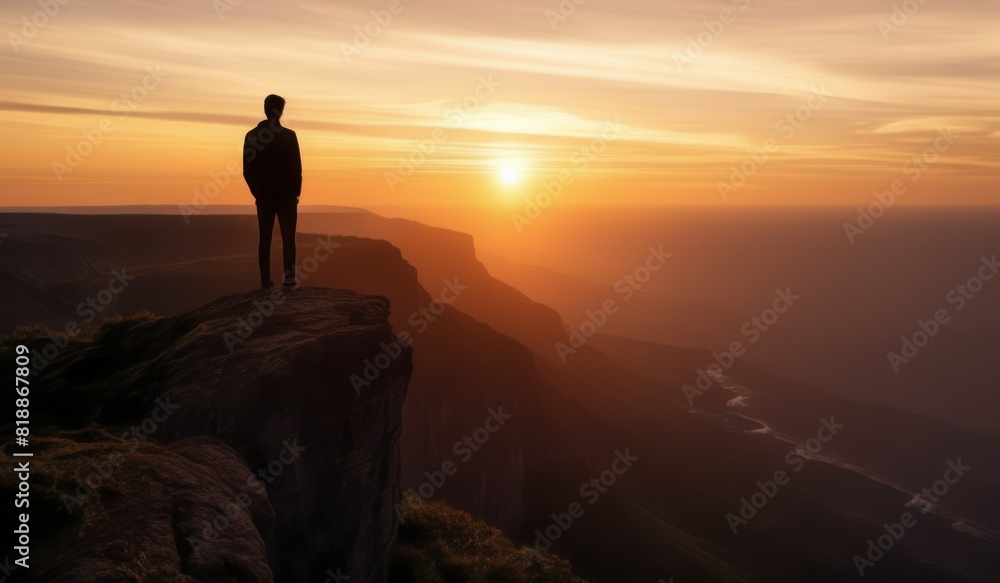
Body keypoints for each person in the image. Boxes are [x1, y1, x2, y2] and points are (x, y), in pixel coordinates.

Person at [243, 94, 302, 289]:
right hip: (286, 196)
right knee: (288, 238)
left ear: (265, 109)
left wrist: (257, 193)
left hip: (264, 196)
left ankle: (265, 279)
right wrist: (296, 193)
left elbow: (247, 170)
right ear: (281, 111)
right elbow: (296, 168)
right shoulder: (288, 135)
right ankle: (290, 278)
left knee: (265, 238)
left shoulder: (251, 136)